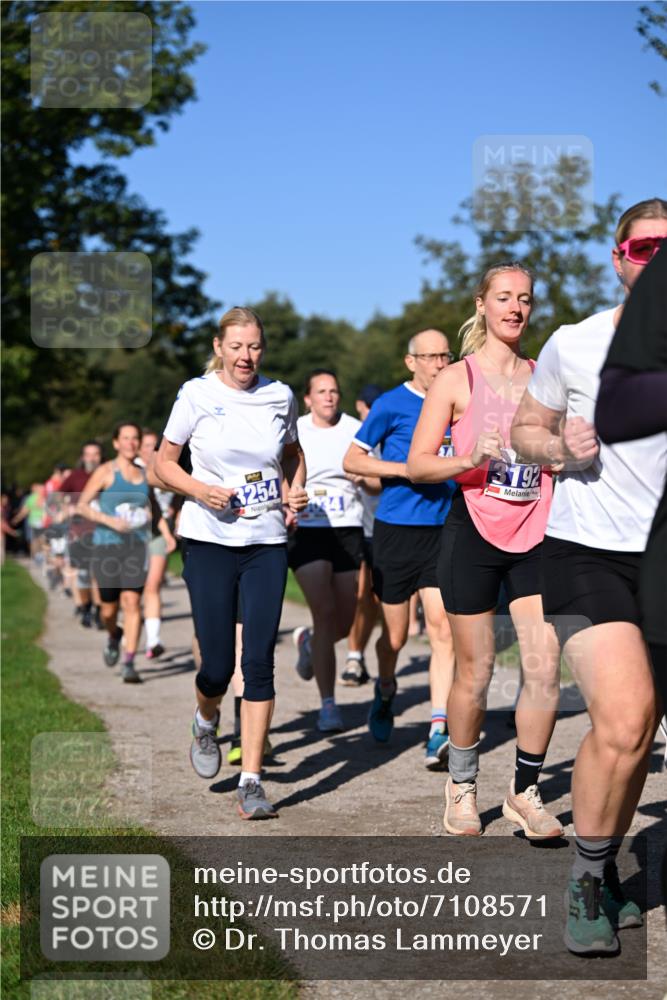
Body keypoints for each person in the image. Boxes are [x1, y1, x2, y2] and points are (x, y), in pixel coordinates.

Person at [510, 198, 667, 955]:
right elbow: (522, 430)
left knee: (635, 738)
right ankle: (584, 877)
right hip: (584, 551)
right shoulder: (573, 344)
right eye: (645, 248)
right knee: (625, 714)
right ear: (617, 257)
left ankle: (603, 869)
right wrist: (555, 449)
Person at [407, 265, 562, 841]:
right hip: (472, 533)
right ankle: (463, 785)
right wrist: (469, 455)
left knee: (544, 665)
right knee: (476, 670)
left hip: (537, 534)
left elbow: (568, 453)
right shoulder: (455, 378)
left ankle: (525, 792)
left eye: (524, 299)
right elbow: (420, 464)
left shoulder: (548, 377)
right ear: (482, 304)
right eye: (504, 297)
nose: (515, 308)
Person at [154, 306, 307, 820]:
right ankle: (205, 718)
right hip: (208, 539)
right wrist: (200, 490)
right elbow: (161, 464)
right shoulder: (197, 394)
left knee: (259, 660)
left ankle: (252, 781)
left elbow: (291, 453)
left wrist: (294, 491)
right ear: (220, 347)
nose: (247, 356)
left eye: (255, 346)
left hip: (265, 541)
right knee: (217, 665)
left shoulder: (279, 395)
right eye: (237, 346)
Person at [343, 329, 457, 769]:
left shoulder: (460, 401)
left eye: (444, 355)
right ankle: (386, 688)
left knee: (442, 627)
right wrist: (403, 469)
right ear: (411, 362)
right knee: (394, 636)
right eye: (429, 357)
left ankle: (438, 728)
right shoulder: (391, 403)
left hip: (444, 529)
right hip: (396, 529)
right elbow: (352, 460)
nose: (439, 364)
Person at [290, 369, 377, 732]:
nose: (329, 397)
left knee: (345, 619)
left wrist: (363, 478)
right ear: (308, 398)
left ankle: (308, 641)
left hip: (347, 529)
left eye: (334, 391)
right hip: (308, 530)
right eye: (321, 392)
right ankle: (328, 705)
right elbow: (278, 472)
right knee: (324, 613)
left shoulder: (355, 429)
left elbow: (376, 485)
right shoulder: (294, 429)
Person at [78, 423, 151, 684]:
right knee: (108, 610)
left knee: (132, 603)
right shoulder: (105, 472)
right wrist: (110, 521)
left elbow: (151, 508)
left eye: (135, 438)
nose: (131, 443)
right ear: (116, 443)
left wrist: (163, 530)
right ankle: (113, 635)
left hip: (136, 546)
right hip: (106, 546)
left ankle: (129, 662)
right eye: (126, 438)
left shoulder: (145, 475)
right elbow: (82, 506)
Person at [341, 383, 384, 687]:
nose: (373, 413)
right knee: (363, 597)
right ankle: (354, 657)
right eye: (369, 407)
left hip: (398, 529)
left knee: (378, 600)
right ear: (360, 407)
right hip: (366, 530)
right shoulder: (354, 436)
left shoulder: (395, 430)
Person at [137, 429, 177, 659]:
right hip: (132, 536)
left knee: (153, 585)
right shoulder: (130, 470)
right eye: (146, 445)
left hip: (159, 532)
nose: (151, 450)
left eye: (155, 445)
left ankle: (153, 640)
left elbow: (181, 490)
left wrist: (176, 511)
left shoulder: (166, 467)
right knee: (132, 591)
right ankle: (124, 633)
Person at [61, 441, 104, 628]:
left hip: (103, 530)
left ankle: (98, 610)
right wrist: (67, 508)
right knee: (84, 575)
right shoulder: (75, 476)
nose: (92, 458)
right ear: (83, 457)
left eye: (95, 454)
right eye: (89, 454)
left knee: (99, 574)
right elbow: (57, 496)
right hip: (80, 532)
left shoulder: (108, 474)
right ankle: (86, 606)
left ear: (100, 456)